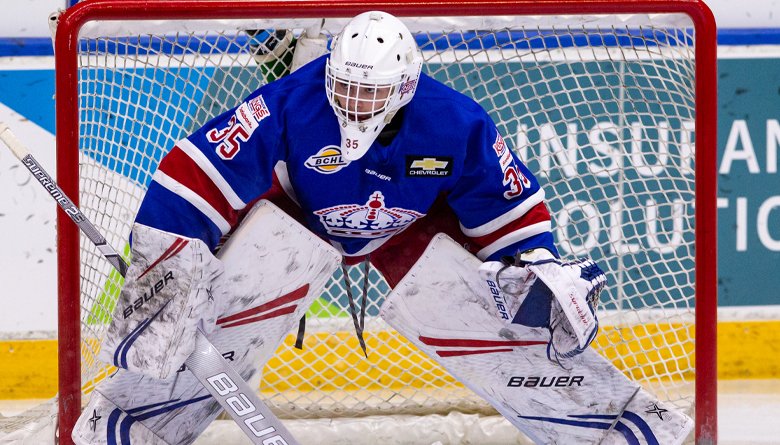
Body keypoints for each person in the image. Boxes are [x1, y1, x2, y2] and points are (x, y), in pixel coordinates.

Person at [73, 11, 615, 445]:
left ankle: (602, 423)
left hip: (411, 223)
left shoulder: (455, 121)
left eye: (371, 92)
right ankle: (131, 423)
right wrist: (165, 264)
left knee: (503, 297)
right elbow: (197, 172)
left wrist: (535, 264)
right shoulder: (290, 102)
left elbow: (508, 204)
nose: (354, 102)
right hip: (296, 215)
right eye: (346, 87)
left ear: (405, 86)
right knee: (212, 301)